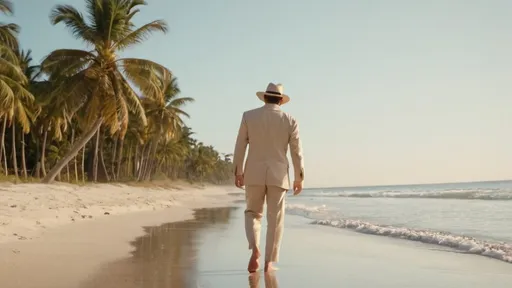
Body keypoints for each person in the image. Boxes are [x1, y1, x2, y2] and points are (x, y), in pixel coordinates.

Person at [233, 82, 305, 273]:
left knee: (252, 213)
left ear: (265, 97)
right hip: (278, 175)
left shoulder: (249, 116)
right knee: (275, 220)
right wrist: (299, 177)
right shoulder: (290, 120)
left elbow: (240, 146)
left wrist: (238, 171)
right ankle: (268, 262)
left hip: (253, 174)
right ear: (281, 100)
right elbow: (296, 151)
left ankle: (255, 250)